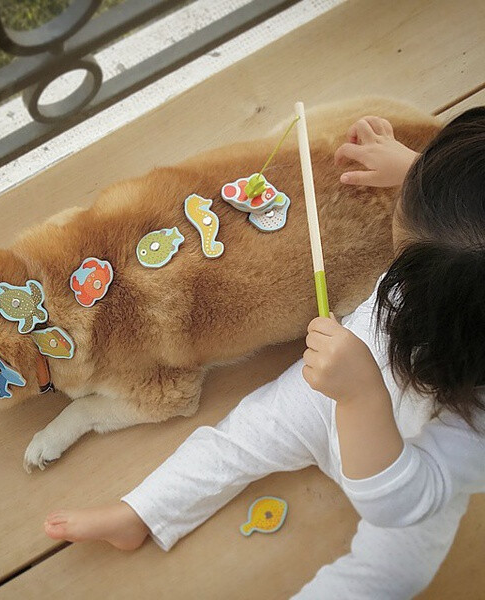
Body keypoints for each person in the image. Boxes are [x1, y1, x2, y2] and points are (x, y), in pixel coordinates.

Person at [43, 108, 485, 598]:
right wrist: (416, 175)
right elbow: (465, 227)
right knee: (241, 434)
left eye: (407, 257)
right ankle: (141, 511)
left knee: (393, 576)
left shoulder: (474, 428)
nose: (398, 259)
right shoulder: (461, 252)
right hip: (332, 387)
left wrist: (362, 397)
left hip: (400, 470)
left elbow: (402, 502)